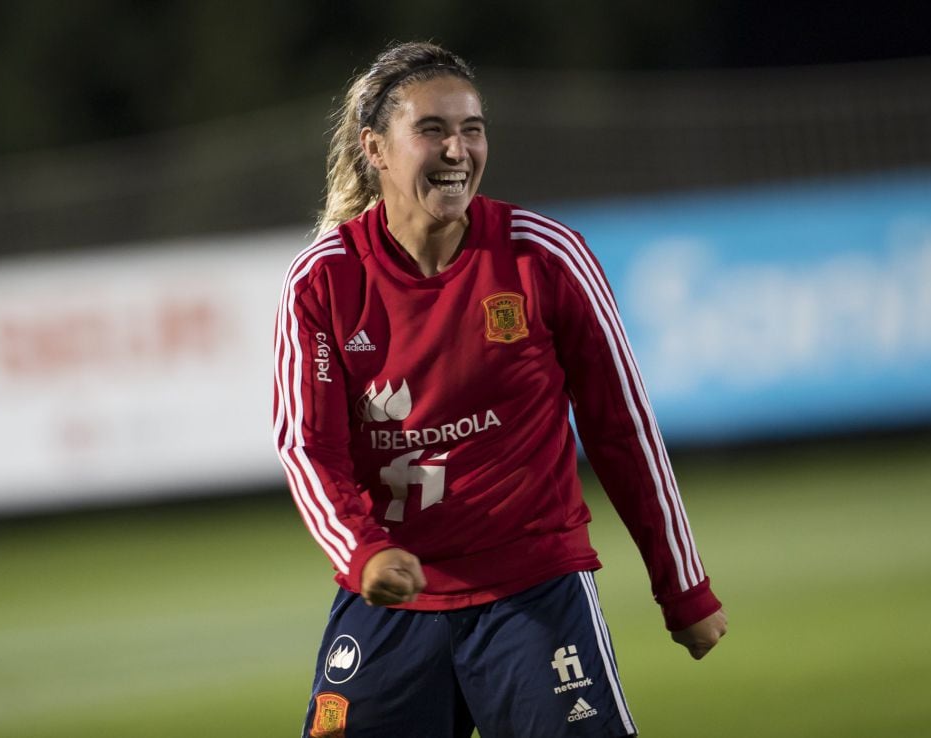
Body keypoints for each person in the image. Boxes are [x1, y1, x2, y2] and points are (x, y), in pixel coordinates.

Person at [273, 41, 726, 738]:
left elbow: (623, 430)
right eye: (432, 130)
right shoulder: (322, 282)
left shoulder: (545, 255)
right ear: (376, 149)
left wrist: (683, 585)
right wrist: (361, 552)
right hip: (391, 600)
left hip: (535, 596)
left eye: (472, 129)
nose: (458, 150)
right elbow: (308, 446)